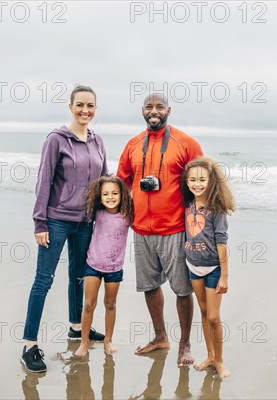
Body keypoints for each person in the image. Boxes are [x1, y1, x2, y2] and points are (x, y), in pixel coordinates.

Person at [21, 85, 108, 373]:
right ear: (70, 107)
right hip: (56, 220)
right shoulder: (56, 140)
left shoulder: (97, 141)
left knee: (79, 278)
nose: (86, 110)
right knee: (43, 280)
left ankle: (75, 327)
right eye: (80, 105)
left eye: (91, 106)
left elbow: (105, 179)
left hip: (85, 222)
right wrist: (40, 222)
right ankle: (29, 345)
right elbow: (43, 180)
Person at [117, 93, 203, 367]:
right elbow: (120, 184)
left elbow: (202, 182)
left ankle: (185, 344)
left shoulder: (186, 143)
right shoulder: (132, 144)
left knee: (181, 289)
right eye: (149, 107)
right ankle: (160, 337)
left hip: (175, 229)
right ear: (142, 111)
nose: (154, 111)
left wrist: (200, 225)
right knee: (149, 286)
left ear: (169, 111)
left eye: (159, 107)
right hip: (141, 229)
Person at [181, 157, 235, 378]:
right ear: (186, 181)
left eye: (202, 179)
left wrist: (224, 276)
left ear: (211, 181)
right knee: (203, 313)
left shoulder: (217, 209)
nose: (197, 184)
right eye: (192, 179)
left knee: (213, 317)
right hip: (193, 266)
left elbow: (222, 244)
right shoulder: (188, 205)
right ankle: (210, 356)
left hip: (213, 269)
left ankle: (220, 361)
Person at [75, 175, 132, 356]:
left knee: (110, 304)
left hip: (114, 268)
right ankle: (84, 343)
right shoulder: (97, 212)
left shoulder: (128, 214)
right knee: (89, 304)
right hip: (93, 265)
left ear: (122, 194)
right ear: (99, 197)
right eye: (105, 194)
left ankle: (108, 340)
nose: (110, 197)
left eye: (115, 193)